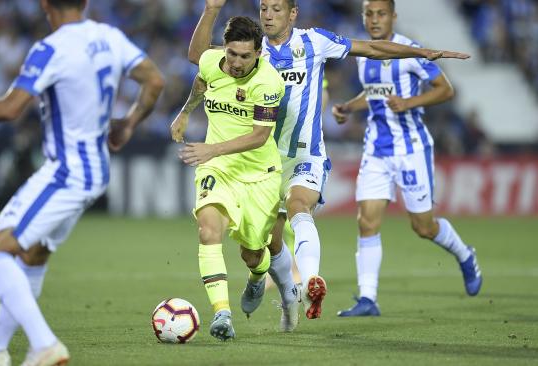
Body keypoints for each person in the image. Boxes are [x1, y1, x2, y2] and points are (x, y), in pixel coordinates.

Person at [188, 0, 470, 329]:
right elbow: (201, 58)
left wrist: (420, 53)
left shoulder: (314, 42)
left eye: (277, 9)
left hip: (305, 154)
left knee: (299, 207)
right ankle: (288, 298)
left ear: (292, 14)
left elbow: (372, 49)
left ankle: (310, 282)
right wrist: (210, 11)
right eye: (264, 7)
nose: (268, 14)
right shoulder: (251, 48)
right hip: (261, 160)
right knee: (268, 244)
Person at [0, 0, 164, 364]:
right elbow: (155, 80)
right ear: (84, 3)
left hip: (67, 170)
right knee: (35, 254)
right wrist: (128, 122)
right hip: (97, 168)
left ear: (44, 4)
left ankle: (44, 344)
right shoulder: (108, 36)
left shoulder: (50, 48)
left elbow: (10, 107)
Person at [331, 0, 482, 317]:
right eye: (368, 14)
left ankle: (465, 254)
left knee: (423, 227)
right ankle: (368, 299)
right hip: (375, 149)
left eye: (381, 14)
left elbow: (445, 89)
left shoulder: (411, 51)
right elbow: (373, 94)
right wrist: (348, 107)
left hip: (411, 148)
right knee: (367, 221)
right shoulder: (364, 55)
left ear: (393, 17)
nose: (374, 20)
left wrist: (411, 101)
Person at [170, 16, 285, 341]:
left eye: (245, 56)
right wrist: (185, 112)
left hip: (259, 177)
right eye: (231, 53)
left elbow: (260, 136)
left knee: (252, 253)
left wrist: (212, 148)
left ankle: (258, 275)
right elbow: (201, 83)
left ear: (259, 53)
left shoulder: (268, 82)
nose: (235, 62)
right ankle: (222, 314)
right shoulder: (211, 61)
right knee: (208, 230)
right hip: (217, 169)